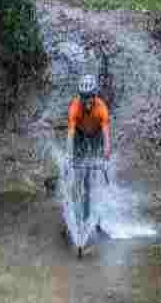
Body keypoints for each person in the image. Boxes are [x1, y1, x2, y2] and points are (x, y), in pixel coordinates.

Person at [45, 74, 112, 225]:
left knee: (89, 178)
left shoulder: (102, 108)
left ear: (95, 96)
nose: (87, 101)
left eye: (89, 97)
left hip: (96, 136)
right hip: (79, 135)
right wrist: (69, 158)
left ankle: (91, 213)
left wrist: (106, 156)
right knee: (76, 176)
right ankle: (74, 213)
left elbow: (106, 136)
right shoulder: (74, 107)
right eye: (83, 97)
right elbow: (70, 134)